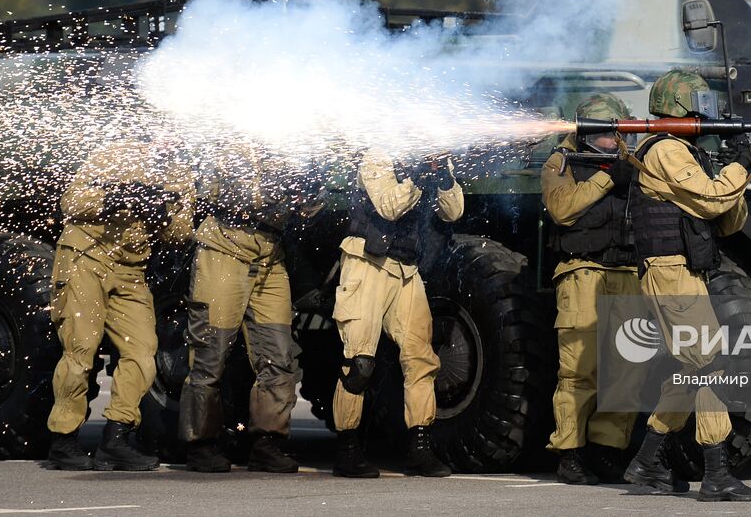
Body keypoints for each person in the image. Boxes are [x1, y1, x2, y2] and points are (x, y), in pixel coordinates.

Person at [622, 69, 751, 503]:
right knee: (709, 365)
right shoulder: (667, 148)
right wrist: (741, 162)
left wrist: (736, 168)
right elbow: (710, 197)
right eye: (699, 107)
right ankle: (717, 474)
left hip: (682, 270)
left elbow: (726, 218)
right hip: (670, 272)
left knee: (691, 372)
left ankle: (647, 463)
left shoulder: (684, 150)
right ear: (682, 108)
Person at [47, 136, 195, 471]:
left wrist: (162, 216)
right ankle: (63, 439)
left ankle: (116, 437)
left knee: (143, 353)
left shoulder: (179, 173)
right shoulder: (115, 153)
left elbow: (182, 232)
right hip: (86, 258)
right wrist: (116, 197)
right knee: (81, 349)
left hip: (130, 270)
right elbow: (71, 202)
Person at [331, 151, 463, 479]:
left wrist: (443, 177)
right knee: (359, 363)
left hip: (406, 268)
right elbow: (389, 206)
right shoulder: (377, 156)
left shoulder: (431, 157)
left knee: (422, 360)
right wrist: (416, 177)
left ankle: (420, 446)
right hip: (366, 264)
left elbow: (454, 211)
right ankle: (347, 448)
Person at [178, 141, 302, 473]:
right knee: (211, 350)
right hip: (225, 248)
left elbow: (302, 208)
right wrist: (286, 175)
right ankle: (200, 443)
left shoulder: (290, 147)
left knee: (278, 353)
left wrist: (308, 188)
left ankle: (267, 441)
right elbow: (243, 193)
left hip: (270, 256)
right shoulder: (231, 142)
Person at [540, 93, 641, 485]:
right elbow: (563, 208)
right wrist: (607, 177)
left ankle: (607, 450)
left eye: (616, 133)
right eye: (603, 134)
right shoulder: (561, 162)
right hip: (583, 272)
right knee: (579, 370)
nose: (612, 140)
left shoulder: (631, 162)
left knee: (629, 368)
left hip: (629, 271)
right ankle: (571, 453)